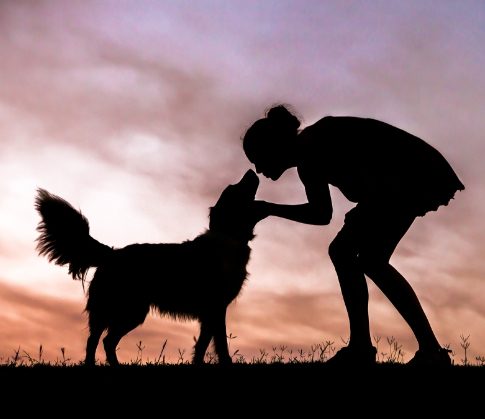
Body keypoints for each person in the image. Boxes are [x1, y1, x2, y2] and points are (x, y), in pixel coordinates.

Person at [243, 105, 464, 367]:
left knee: (365, 258)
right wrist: (268, 209)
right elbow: (321, 213)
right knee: (356, 255)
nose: (258, 169)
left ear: (273, 146)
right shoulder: (308, 159)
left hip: (415, 175)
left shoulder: (318, 141)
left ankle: (413, 350)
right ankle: (389, 347)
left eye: (257, 158)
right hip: (402, 180)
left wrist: (365, 209)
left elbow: (379, 156)